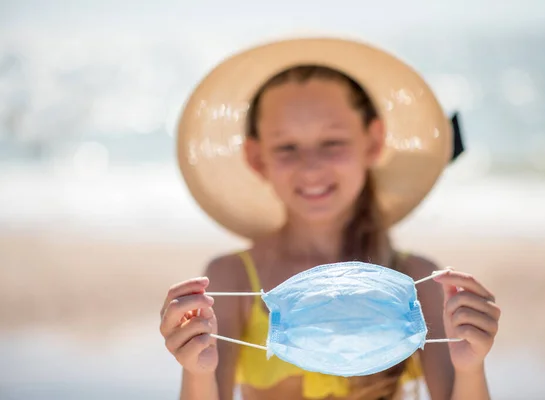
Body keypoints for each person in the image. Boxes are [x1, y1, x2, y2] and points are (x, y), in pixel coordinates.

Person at [159, 37, 501, 400]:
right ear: (257, 157)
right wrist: (196, 372)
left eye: (332, 142)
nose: (311, 166)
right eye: (287, 147)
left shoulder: (417, 278)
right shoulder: (234, 277)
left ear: (373, 141)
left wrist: (471, 367)